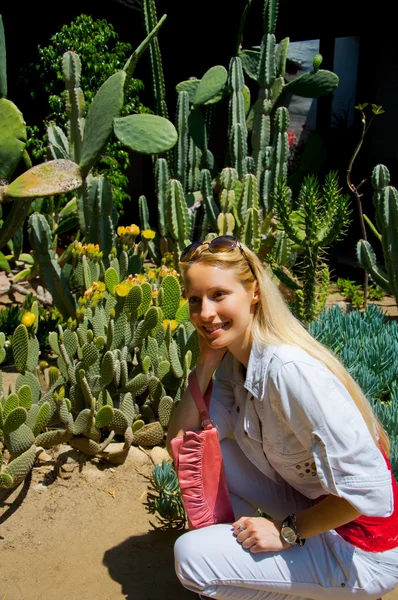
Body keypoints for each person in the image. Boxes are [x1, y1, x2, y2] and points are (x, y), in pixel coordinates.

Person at [166, 235, 398, 600]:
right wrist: (206, 361)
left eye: (219, 295)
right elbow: (182, 444)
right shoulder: (236, 363)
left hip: (363, 549)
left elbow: (372, 493)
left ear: (254, 292)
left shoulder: (287, 371)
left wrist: (287, 531)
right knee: (216, 452)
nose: (205, 313)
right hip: (316, 507)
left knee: (192, 559)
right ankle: (260, 566)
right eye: (195, 300)